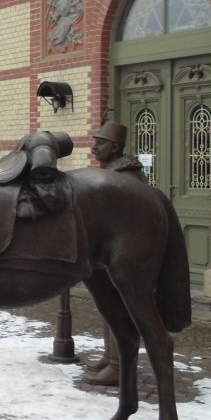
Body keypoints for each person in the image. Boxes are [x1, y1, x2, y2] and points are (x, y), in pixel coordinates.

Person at [84, 119, 147, 386]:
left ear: (116, 147)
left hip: (124, 254)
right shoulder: (113, 171)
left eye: (101, 143)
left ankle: (118, 366)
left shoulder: (126, 177)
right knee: (109, 304)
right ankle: (110, 357)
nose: (94, 147)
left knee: (120, 307)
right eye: (95, 141)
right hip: (109, 250)